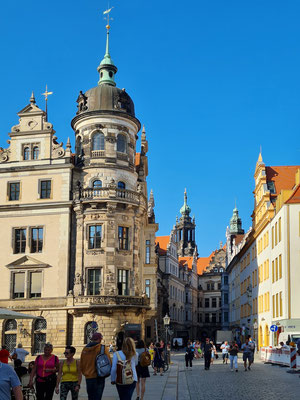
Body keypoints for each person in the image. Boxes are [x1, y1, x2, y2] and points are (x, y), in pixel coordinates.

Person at [80, 332, 111, 400]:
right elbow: (109, 362)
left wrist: (86, 373)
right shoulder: (103, 348)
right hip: (99, 377)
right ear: (100, 339)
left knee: (90, 397)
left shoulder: (85, 349)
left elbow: (81, 363)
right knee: (98, 397)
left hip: (89, 377)